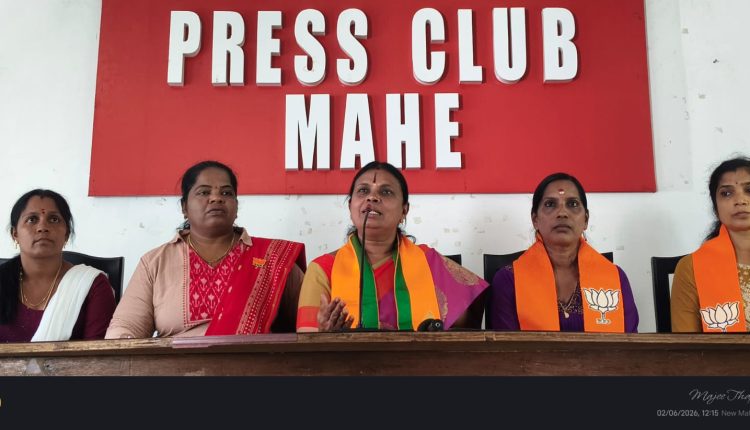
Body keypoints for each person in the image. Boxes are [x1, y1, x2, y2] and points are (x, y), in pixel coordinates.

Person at [106, 161, 305, 338]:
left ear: (236, 206)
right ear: (184, 207)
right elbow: (126, 328)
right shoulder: (155, 262)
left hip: (255, 365)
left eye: (226, 193)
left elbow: (308, 322)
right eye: (204, 192)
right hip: (176, 366)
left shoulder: (273, 257)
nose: (216, 198)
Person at [296, 161, 488, 332]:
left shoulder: (429, 262)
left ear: (404, 210)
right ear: (350, 206)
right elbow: (306, 344)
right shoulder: (323, 269)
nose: (372, 197)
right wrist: (323, 335)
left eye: (385, 192)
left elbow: (471, 310)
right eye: (363, 191)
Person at [487, 173, 639, 332]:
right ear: (535, 220)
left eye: (572, 204)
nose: (562, 213)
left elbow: (630, 344)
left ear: (586, 220)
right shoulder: (510, 280)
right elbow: (506, 346)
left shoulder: (615, 278)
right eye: (550, 204)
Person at [0, 190, 116, 342]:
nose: (42, 227)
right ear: (15, 234)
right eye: (32, 219)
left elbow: (97, 354)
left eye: (53, 219)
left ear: (66, 233)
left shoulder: (92, 285)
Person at [671, 156, 750, 332]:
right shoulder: (691, 268)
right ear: (715, 208)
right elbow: (686, 343)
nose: (741, 200)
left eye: (749, 190)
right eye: (727, 193)